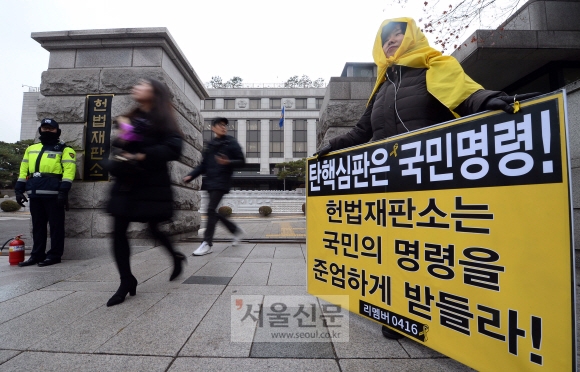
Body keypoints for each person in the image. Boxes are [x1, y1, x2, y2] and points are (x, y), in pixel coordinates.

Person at [315, 17, 540, 157]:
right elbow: (361, 133)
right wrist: (332, 145)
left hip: (434, 172)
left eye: (398, 34)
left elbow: (465, 96)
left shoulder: (434, 66)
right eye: (385, 39)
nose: (390, 41)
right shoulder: (382, 87)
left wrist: (489, 99)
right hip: (389, 179)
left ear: (412, 37)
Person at [105, 78, 185, 307]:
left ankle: (176, 256)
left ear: (155, 92)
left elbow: (173, 148)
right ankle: (126, 280)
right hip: (126, 182)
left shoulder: (164, 119)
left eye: (142, 85)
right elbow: (121, 145)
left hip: (151, 183)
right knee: (118, 229)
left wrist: (142, 155)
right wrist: (122, 138)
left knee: (152, 227)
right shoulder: (131, 117)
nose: (136, 87)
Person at [15, 118, 76, 267]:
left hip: (54, 195)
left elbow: (69, 172)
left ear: (57, 131)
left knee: (56, 227)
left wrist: (63, 191)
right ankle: (36, 255)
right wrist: (18, 190)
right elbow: (24, 170)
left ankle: (54, 255)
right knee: (38, 227)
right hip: (35, 193)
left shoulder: (65, 150)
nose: (47, 131)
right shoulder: (31, 149)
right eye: (45, 128)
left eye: (51, 128)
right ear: (40, 130)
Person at [183, 117, 245, 256]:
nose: (224, 127)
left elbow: (242, 161)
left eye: (225, 125)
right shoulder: (210, 145)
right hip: (210, 182)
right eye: (220, 125)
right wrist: (191, 175)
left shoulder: (231, 142)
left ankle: (207, 243)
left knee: (210, 209)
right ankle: (234, 229)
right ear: (213, 127)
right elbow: (203, 165)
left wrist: (228, 162)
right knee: (212, 212)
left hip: (222, 181)